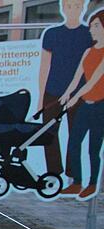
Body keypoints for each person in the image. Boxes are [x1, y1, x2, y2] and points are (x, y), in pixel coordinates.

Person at [37, 0, 92, 176]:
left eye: (77, 6)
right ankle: (53, 172)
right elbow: (44, 66)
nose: (74, 10)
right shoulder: (52, 34)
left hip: (80, 94)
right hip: (52, 91)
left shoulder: (89, 34)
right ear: (63, 8)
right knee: (48, 133)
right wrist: (40, 97)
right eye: (70, 6)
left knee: (75, 134)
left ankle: (71, 171)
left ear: (83, 8)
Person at [59, 8, 104, 200]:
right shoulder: (88, 51)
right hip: (86, 104)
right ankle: (77, 182)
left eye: (95, 26)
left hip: (100, 107)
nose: (91, 30)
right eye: (91, 26)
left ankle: (92, 184)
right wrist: (67, 94)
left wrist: (76, 97)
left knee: (93, 148)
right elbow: (78, 77)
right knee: (74, 142)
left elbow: (93, 81)